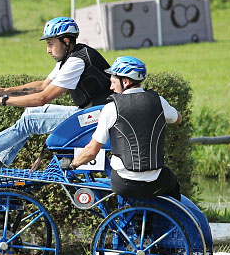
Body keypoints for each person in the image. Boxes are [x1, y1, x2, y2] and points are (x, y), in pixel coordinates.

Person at [0, 16, 111, 172]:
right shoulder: (70, 57)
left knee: (31, 120)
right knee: (30, 114)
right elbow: (42, 86)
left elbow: (42, 98)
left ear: (66, 41)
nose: (48, 50)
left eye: (51, 44)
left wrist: (1, 101)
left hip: (98, 117)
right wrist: (5, 91)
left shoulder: (76, 61)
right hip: (92, 113)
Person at [60, 56, 182, 198]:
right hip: (154, 181)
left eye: (113, 82)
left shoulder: (111, 108)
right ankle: (164, 218)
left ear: (125, 81)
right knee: (172, 182)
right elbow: (178, 119)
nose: (111, 87)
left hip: (123, 183)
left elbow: (92, 151)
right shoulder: (158, 101)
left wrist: (72, 164)